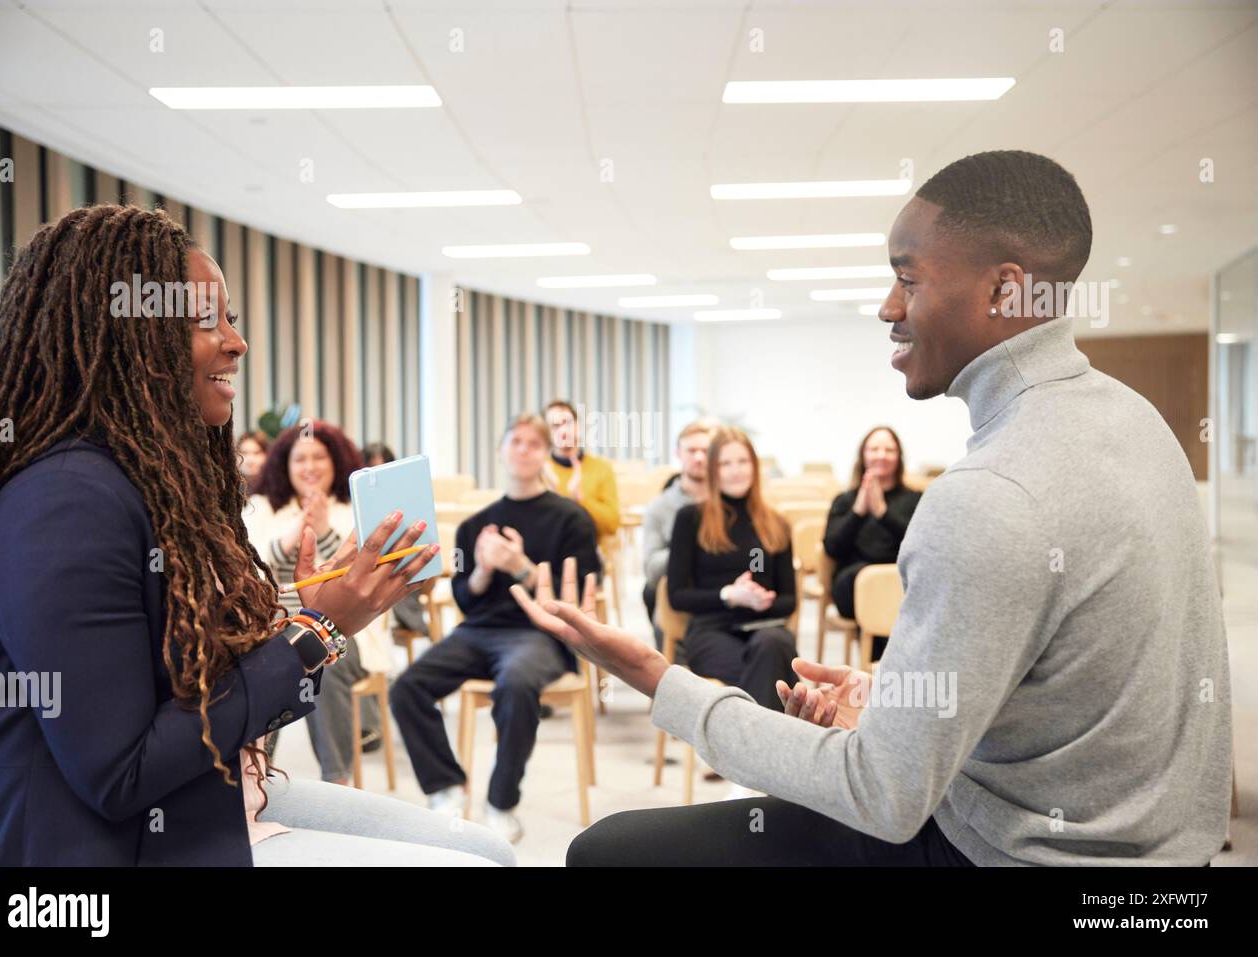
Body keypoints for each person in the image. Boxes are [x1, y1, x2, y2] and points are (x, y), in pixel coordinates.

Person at [511, 150, 1231, 866]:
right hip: (1160, 867)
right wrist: (900, 690)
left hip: (1001, 854)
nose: (889, 307)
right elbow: (1079, 670)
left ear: (1006, 291)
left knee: (607, 852)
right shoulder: (1143, 425)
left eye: (907, 278)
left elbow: (882, 794)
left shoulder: (988, 493)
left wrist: (662, 681)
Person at [0, 204, 512, 866]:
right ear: (123, 335)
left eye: (231, 320)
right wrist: (313, 634)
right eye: (203, 321)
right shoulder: (62, 503)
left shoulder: (152, 483)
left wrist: (301, 621)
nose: (235, 342)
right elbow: (121, 773)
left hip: (210, 799)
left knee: (488, 849)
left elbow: (210, 697)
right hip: (98, 851)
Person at [391, 414, 600, 844]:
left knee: (517, 683)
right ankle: (446, 786)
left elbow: (577, 599)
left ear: (544, 454)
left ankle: (501, 802)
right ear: (500, 451)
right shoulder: (474, 526)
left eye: (532, 444)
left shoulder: (572, 520)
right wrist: (485, 569)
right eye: (515, 442)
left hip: (542, 636)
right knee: (406, 687)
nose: (523, 450)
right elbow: (465, 598)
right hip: (479, 632)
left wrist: (520, 568)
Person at [244, 421, 425, 779]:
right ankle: (256, 771)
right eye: (300, 459)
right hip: (270, 626)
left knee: (322, 653)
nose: (309, 467)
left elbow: (360, 580)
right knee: (262, 656)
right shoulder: (261, 508)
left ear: (336, 461)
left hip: (347, 633)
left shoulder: (356, 508)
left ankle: (338, 776)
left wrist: (324, 530)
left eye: (319, 457)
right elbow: (248, 569)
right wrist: (291, 536)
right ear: (284, 465)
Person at [665, 428, 797, 739]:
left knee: (773, 644)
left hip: (764, 627)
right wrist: (730, 595)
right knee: (773, 671)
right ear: (712, 471)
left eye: (743, 461)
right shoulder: (690, 519)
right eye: (726, 464)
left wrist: (760, 600)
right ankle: (766, 761)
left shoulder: (775, 524)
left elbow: (788, 600)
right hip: (711, 631)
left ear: (754, 465)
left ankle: (737, 758)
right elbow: (677, 596)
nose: (736, 470)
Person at [824, 426, 922, 662]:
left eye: (889, 450)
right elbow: (832, 548)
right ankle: (888, 668)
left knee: (891, 591)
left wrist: (882, 513)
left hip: (900, 585)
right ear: (863, 455)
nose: (881, 455)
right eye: (874, 449)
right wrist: (858, 512)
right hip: (853, 588)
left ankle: (881, 671)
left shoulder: (915, 499)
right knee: (867, 587)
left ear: (899, 457)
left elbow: (920, 546)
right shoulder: (845, 500)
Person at [641, 419, 714, 646]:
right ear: (678, 454)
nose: (699, 457)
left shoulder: (733, 503)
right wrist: (688, 550)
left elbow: (755, 554)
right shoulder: (659, 507)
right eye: (692, 450)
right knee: (652, 591)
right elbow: (652, 569)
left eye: (706, 451)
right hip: (680, 591)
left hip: (726, 589)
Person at [542, 399, 620, 545]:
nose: (563, 430)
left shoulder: (601, 468)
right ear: (547, 434)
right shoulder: (540, 471)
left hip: (591, 553)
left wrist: (580, 500)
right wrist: (551, 496)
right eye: (555, 426)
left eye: (567, 422)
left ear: (578, 426)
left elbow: (612, 525)